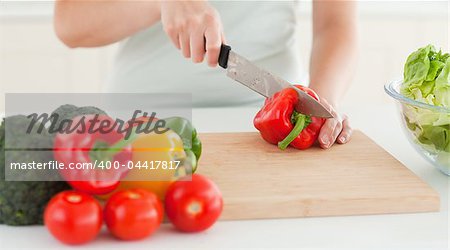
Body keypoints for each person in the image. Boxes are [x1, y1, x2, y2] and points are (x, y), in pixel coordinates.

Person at [54, 0, 357, 149]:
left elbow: (336, 24)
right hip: (138, 123)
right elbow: (71, 23)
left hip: (276, 128)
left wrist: (320, 105)